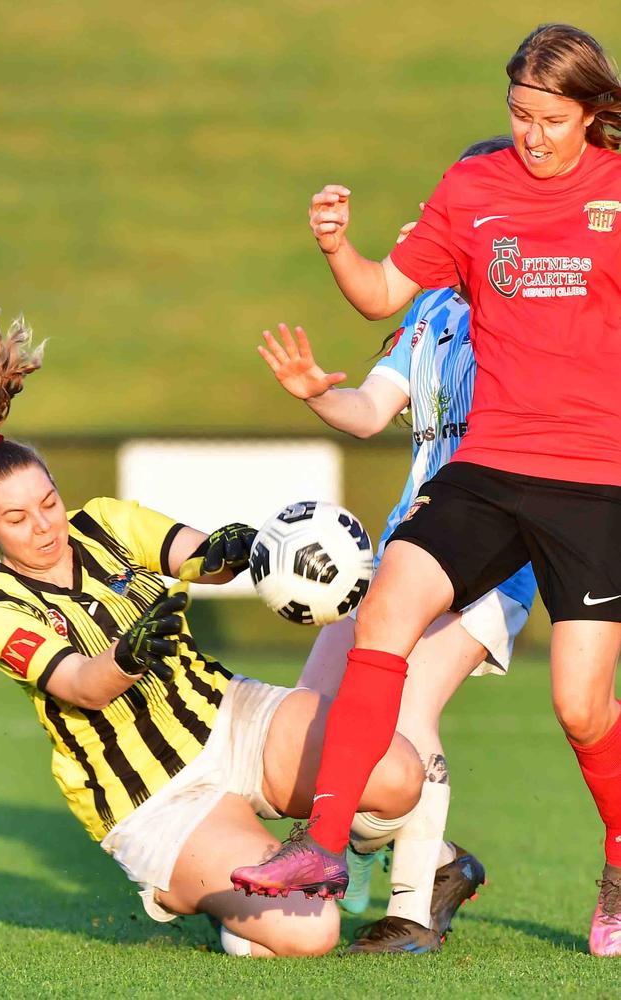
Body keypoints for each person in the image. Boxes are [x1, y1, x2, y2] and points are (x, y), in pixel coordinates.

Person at [232, 23, 621, 957]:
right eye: (519, 115)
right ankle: (325, 850)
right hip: (487, 468)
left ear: (592, 114)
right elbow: (379, 294)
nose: (532, 136)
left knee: (579, 706)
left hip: (596, 481)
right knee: (387, 610)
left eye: (553, 120)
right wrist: (336, 247)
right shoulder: (473, 188)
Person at [0, 306, 425, 959]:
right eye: (18, 517)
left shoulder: (103, 521)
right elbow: (81, 683)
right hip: (155, 797)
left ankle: (330, 847)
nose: (44, 525)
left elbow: (198, 554)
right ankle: (219, 906)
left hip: (229, 716)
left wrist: (241, 548)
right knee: (311, 930)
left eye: (47, 501)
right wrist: (127, 657)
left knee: (397, 774)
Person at [256, 145, 536, 952]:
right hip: (407, 554)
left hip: (491, 565)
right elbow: (370, 412)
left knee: (406, 716)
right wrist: (318, 392)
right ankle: (435, 855)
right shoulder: (429, 314)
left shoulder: (518, 320)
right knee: (315, 723)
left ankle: (415, 908)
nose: (430, 223)